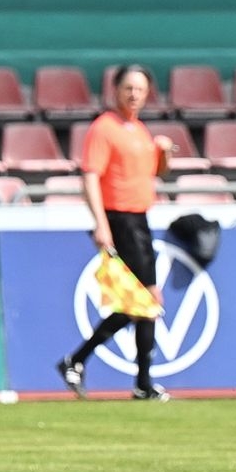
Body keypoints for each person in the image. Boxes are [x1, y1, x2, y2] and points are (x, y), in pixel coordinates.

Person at [56, 66, 174, 402]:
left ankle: (85, 362)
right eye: (128, 88)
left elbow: (156, 172)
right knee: (145, 299)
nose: (134, 94)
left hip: (140, 218)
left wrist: (164, 153)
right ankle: (137, 381)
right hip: (119, 218)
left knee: (144, 301)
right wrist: (101, 222)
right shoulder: (104, 128)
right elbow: (91, 175)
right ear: (115, 91)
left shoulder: (139, 130)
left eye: (140, 89)